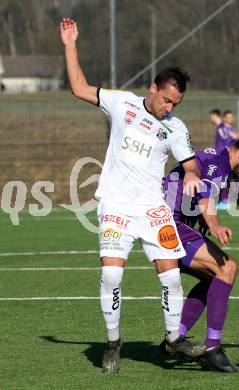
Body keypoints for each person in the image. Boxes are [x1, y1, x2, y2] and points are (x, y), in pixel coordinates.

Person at [60, 18, 202, 374]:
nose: (170, 107)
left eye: (176, 103)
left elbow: (190, 164)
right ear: (153, 88)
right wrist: (69, 44)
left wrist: (190, 176)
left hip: (153, 210)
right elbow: (78, 87)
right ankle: (113, 344)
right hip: (116, 207)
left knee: (170, 276)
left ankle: (174, 340)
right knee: (111, 276)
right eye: (167, 100)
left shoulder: (175, 127)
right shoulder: (121, 103)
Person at [162, 130, 239, 372]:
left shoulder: (220, 165)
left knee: (214, 279)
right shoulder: (217, 164)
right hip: (168, 225)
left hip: (170, 224)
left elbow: (194, 191)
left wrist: (203, 220)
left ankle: (175, 338)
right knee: (227, 268)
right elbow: (202, 189)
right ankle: (213, 347)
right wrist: (213, 223)